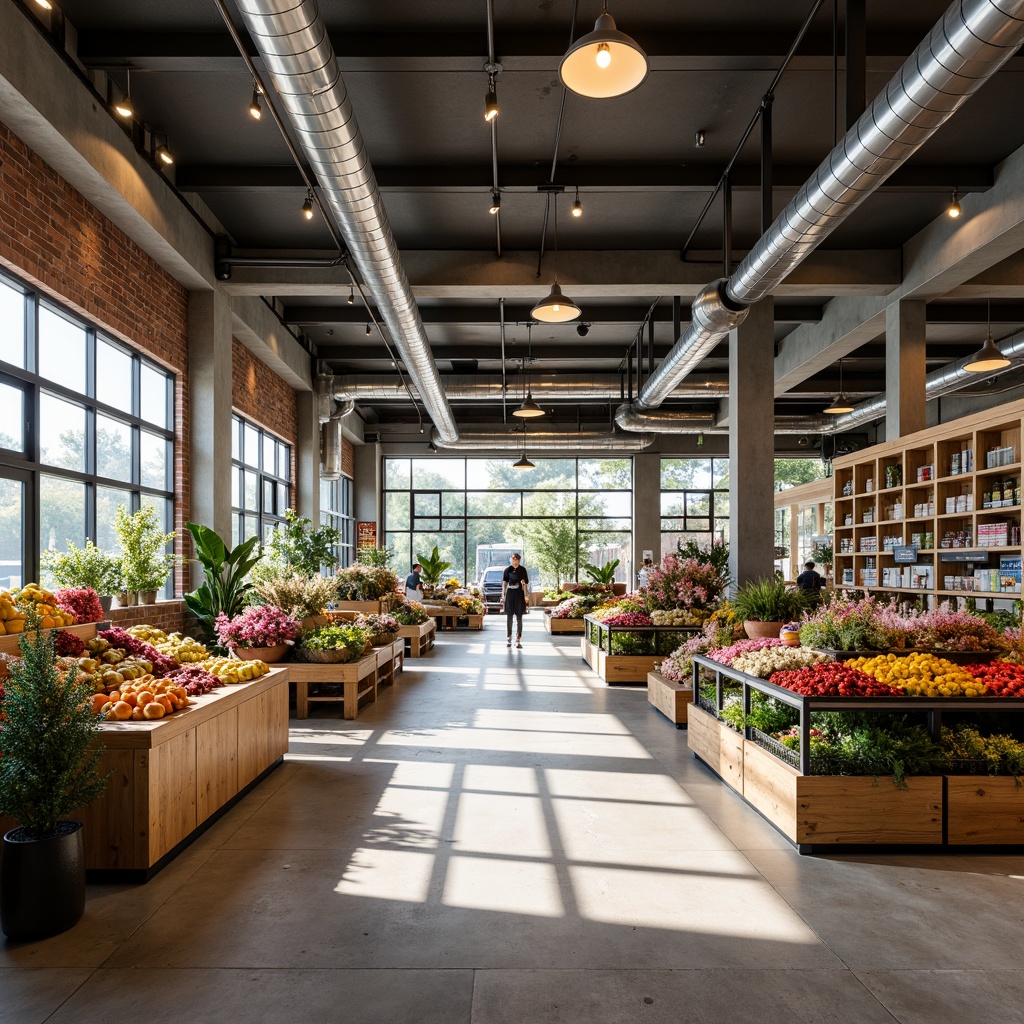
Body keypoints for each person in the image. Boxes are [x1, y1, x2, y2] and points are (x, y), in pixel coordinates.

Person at [500, 552, 529, 648]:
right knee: (509, 616)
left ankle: (518, 638)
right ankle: (509, 637)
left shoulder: (522, 570)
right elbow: (504, 583)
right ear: (511, 560)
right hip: (510, 594)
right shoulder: (507, 570)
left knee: (519, 617)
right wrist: (503, 595)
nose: (515, 561)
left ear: (519, 560)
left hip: (519, 594)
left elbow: (525, 584)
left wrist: (526, 596)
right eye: (513, 559)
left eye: (516, 559)